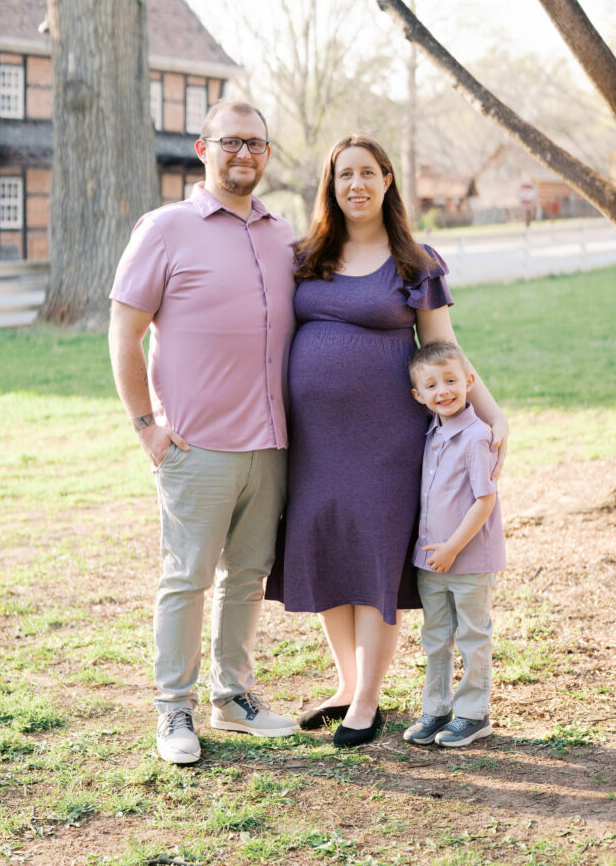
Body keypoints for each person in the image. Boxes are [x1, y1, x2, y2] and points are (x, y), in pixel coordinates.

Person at [265, 134, 507, 748]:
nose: (357, 185)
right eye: (345, 175)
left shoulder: (414, 264)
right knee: (327, 546)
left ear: (388, 180)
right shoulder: (305, 256)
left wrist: (492, 413)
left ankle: (368, 701)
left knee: (373, 552)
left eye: (368, 173)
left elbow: (443, 348)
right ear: (332, 185)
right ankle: (345, 685)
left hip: (388, 439)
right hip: (316, 440)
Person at [108, 99, 299, 766]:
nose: (244, 153)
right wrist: (145, 427)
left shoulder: (284, 235)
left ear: (267, 154)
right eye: (230, 142)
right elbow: (123, 333)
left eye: (256, 143)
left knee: (246, 577)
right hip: (195, 448)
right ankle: (173, 711)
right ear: (202, 147)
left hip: (271, 445)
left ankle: (233, 697)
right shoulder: (164, 229)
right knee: (187, 578)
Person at [402, 340, 506, 749]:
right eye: (432, 385)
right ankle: (437, 708)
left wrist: (451, 548)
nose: (442, 390)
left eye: (450, 380)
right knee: (436, 636)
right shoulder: (431, 434)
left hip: (468, 560)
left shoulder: (477, 437)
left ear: (469, 381)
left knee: (472, 636)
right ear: (418, 395)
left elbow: (485, 501)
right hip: (431, 561)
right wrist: (434, 551)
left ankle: (473, 714)